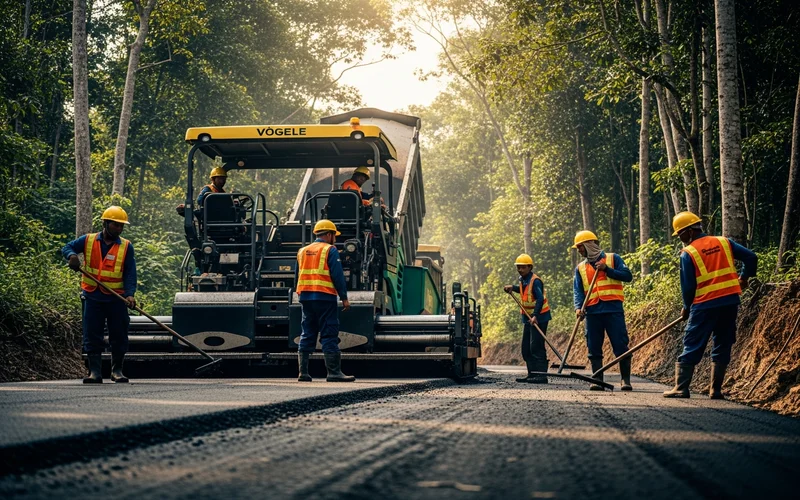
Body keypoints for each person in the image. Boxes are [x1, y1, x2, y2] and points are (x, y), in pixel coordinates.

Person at [663, 212, 758, 399]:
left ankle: (681, 388)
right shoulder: (724, 242)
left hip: (704, 304)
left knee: (692, 343)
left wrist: (686, 307)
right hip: (730, 302)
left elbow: (688, 286)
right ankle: (716, 390)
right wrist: (744, 278)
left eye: (680, 234)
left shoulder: (688, 253)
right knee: (723, 342)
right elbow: (751, 258)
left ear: (689, 231)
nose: (680, 239)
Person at [63, 206, 137, 384]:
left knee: (119, 334)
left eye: (121, 226)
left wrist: (130, 294)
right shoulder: (88, 240)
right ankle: (94, 372)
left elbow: (130, 273)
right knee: (92, 333)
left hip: (116, 298)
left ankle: (117, 371)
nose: (119, 229)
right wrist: (72, 255)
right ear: (105, 223)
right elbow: (67, 247)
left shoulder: (126, 246)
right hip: (93, 296)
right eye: (115, 225)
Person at [572, 230, 634, 391]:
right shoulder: (580, 268)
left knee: (620, 344)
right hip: (592, 313)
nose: (579, 251)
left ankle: (625, 380)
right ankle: (597, 380)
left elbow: (627, 276)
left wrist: (607, 269)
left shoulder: (613, 259)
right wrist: (578, 308)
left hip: (613, 310)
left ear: (589, 245)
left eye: (580, 247)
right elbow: (578, 291)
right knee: (593, 346)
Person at [296, 219, 354, 382]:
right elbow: (337, 276)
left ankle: (303, 373)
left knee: (307, 332)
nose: (335, 238)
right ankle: (334, 372)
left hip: (306, 297)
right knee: (329, 332)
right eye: (334, 235)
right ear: (329, 234)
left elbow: (297, 275)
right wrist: (344, 297)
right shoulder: (330, 250)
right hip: (325, 297)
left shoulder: (302, 251)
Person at [504, 254, 552, 383]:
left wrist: (535, 315)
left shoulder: (535, 281)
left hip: (539, 318)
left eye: (523, 267)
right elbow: (524, 291)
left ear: (530, 267)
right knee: (526, 348)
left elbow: (540, 298)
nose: (520, 269)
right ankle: (532, 374)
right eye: (518, 267)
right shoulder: (523, 279)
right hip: (528, 318)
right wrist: (512, 288)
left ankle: (541, 375)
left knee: (536, 347)